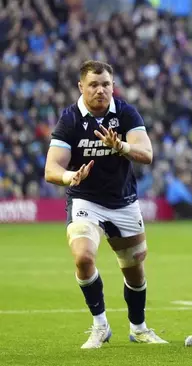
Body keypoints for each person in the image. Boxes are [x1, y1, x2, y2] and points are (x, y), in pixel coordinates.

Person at [44, 60, 167, 349]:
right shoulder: (70, 120)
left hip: (123, 201)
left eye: (106, 84)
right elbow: (51, 169)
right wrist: (70, 176)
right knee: (84, 257)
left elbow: (147, 153)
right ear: (81, 87)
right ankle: (100, 326)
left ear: (113, 86)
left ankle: (138, 328)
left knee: (134, 267)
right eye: (94, 85)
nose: (100, 90)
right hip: (85, 199)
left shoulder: (125, 113)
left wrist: (121, 146)